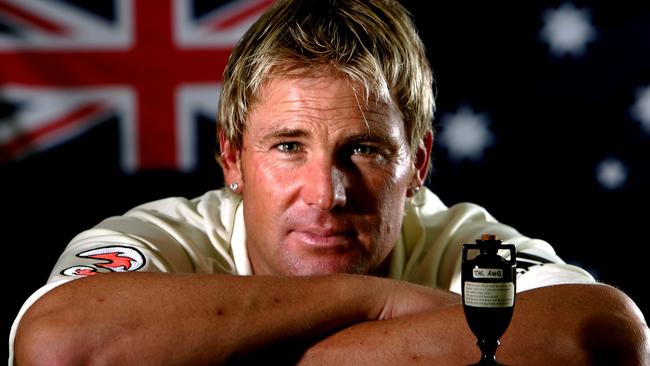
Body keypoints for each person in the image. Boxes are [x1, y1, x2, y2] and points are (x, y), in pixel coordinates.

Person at [10, 0, 649, 364]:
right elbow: (58, 344)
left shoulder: (459, 244)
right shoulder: (166, 239)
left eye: (364, 149)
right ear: (231, 159)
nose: (327, 194)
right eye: (289, 147)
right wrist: (372, 301)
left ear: (418, 165)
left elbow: (603, 335)